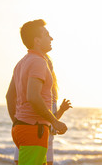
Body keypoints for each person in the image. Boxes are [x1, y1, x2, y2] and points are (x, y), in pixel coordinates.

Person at [6, 19, 68, 165]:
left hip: (23, 128)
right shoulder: (38, 62)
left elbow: (9, 97)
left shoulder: (21, 63)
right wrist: (54, 121)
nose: (51, 38)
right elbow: (33, 96)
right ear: (37, 41)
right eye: (47, 34)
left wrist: (17, 122)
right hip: (34, 130)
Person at [13, 55, 72, 165]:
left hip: (46, 138)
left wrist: (61, 110)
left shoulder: (51, 93)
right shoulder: (32, 86)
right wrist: (19, 124)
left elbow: (49, 118)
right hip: (33, 134)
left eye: (50, 65)